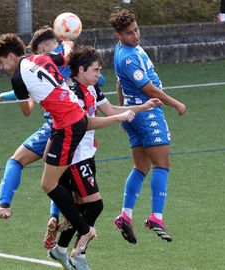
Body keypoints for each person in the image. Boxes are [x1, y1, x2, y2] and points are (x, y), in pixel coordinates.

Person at [0, 33, 135, 257]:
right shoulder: (41, 59)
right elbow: (67, 54)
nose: (3, 67)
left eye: (2, 62)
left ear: (12, 56)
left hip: (68, 125)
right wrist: (68, 38)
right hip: (70, 121)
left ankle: (83, 229)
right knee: (52, 177)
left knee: (49, 184)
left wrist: (23, 93)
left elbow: (27, 111)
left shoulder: (18, 78)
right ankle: (62, 222)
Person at [46, 45, 162, 270]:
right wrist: (120, 119)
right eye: (96, 70)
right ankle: (79, 252)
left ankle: (60, 249)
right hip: (74, 156)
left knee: (80, 206)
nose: (100, 74)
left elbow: (109, 109)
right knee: (95, 205)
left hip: (86, 154)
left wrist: (141, 107)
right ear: (81, 70)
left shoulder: (91, 88)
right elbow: (86, 122)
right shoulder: (73, 92)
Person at [109, 9, 187, 244]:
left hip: (134, 114)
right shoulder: (128, 57)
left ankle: (125, 214)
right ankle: (156, 217)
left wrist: (124, 112)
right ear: (118, 35)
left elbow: (119, 82)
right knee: (162, 164)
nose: (135, 35)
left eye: (136, 30)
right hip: (147, 112)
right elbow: (149, 90)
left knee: (140, 166)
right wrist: (176, 104)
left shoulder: (125, 50)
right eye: (129, 33)